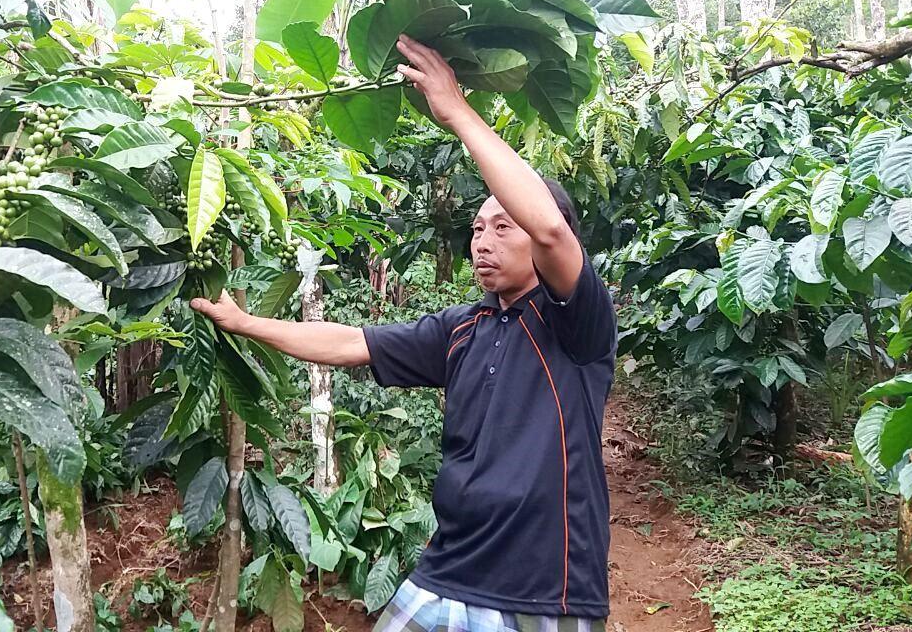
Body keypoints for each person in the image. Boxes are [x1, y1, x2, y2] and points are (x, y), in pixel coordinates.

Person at [191, 35, 617, 632]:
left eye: (504, 225)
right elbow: (348, 344)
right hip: (447, 569)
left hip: (542, 589)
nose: (483, 239)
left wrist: (457, 112)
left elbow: (548, 229)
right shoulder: (463, 329)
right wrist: (242, 321)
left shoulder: (576, 320)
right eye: (476, 228)